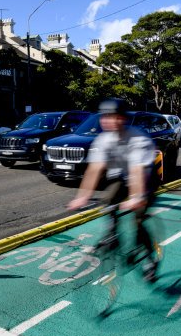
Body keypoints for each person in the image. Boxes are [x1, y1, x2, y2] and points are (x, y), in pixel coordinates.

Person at [67, 98, 160, 281]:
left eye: (114, 116)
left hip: (145, 179)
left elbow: (136, 171)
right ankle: (112, 234)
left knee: (138, 219)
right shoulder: (103, 140)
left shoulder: (137, 138)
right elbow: (94, 169)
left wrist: (136, 198)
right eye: (105, 117)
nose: (109, 121)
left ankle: (150, 259)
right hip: (120, 177)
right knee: (108, 200)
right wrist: (82, 196)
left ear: (123, 119)